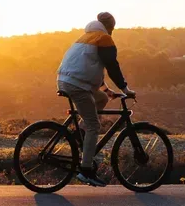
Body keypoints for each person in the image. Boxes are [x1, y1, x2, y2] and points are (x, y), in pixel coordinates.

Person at [55, 11, 134, 186]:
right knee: (94, 126)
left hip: (68, 81)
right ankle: (86, 170)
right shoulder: (104, 39)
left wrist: (107, 91)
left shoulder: (87, 36)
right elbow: (112, 66)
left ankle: (80, 132)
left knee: (101, 99)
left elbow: (89, 68)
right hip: (77, 85)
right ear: (110, 27)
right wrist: (125, 89)